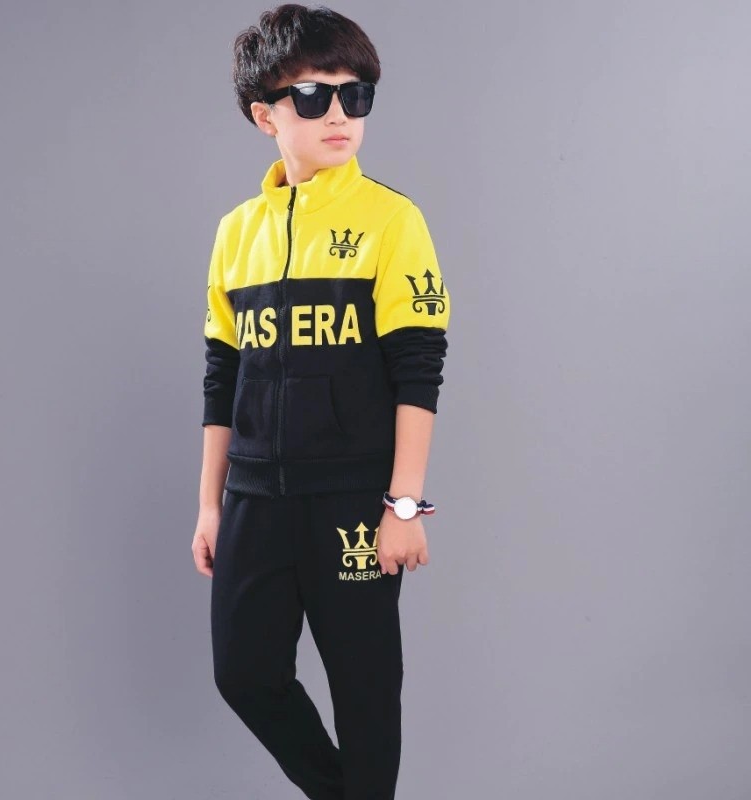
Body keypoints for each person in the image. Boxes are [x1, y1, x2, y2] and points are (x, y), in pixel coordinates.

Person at [191, 5, 451, 798]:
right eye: (312, 95)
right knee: (245, 673)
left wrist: (403, 504)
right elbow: (221, 376)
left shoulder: (391, 220)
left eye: (355, 93)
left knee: (365, 691)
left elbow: (419, 370)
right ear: (264, 115)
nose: (339, 113)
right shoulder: (237, 231)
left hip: (351, 497)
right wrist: (210, 505)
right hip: (254, 498)